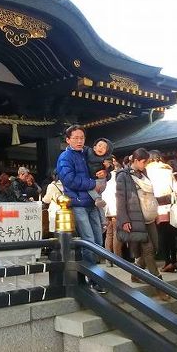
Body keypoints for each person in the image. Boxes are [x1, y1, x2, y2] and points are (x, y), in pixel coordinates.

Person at [56, 124, 106, 293]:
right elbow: (69, 180)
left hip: (92, 203)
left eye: (82, 138)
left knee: (98, 241)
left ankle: (94, 275)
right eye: (75, 138)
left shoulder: (87, 154)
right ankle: (93, 278)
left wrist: (106, 173)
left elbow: (102, 166)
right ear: (68, 140)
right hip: (78, 203)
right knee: (89, 241)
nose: (79, 141)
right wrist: (93, 183)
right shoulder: (65, 157)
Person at [116, 148, 166, 292]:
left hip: (149, 215)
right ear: (136, 160)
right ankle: (159, 286)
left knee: (155, 246)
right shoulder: (123, 176)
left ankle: (136, 271)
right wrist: (124, 220)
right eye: (144, 161)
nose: (145, 164)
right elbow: (120, 198)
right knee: (149, 249)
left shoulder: (144, 173)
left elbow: (151, 195)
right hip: (135, 216)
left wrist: (155, 212)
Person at [146, 150, 177, 273]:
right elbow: (176, 188)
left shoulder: (147, 171)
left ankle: (167, 261)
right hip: (170, 204)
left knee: (163, 234)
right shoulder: (167, 169)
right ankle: (175, 259)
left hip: (156, 205)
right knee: (173, 232)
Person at [84, 137, 114, 209]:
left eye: (104, 148)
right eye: (99, 145)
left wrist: (108, 167)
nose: (101, 148)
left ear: (107, 151)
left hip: (100, 180)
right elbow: (82, 147)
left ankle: (98, 199)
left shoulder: (107, 158)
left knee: (90, 187)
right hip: (93, 180)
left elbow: (111, 167)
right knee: (91, 188)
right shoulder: (88, 151)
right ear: (94, 147)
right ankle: (99, 201)